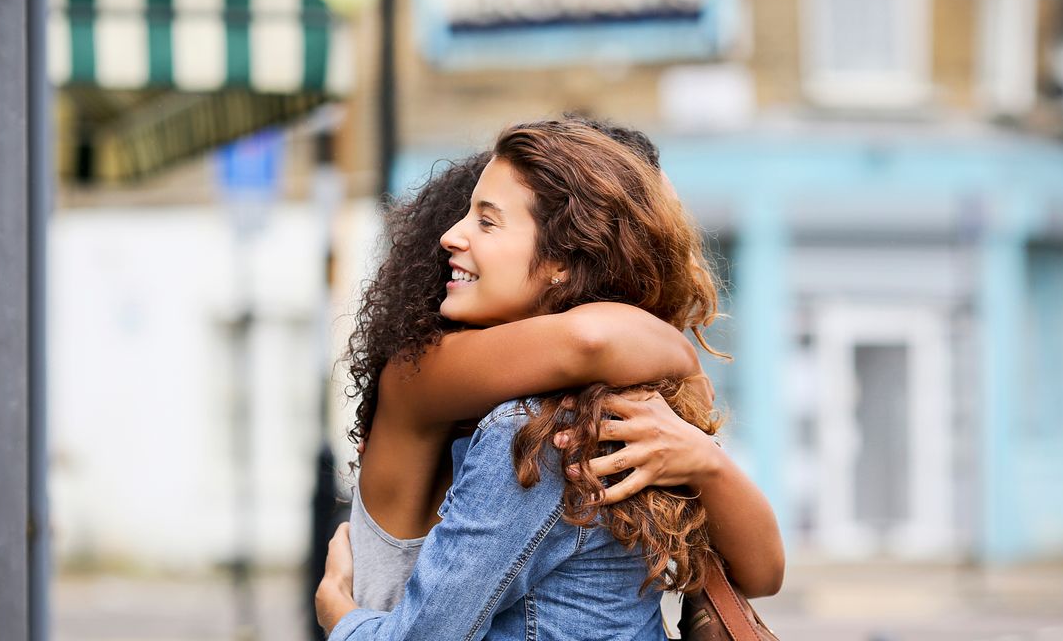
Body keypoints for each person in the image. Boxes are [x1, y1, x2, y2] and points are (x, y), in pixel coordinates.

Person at [318, 119, 784, 638]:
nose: (455, 236)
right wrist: (687, 364)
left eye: (487, 222)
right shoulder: (430, 378)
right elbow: (589, 339)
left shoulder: (586, 416)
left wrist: (705, 462)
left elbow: (761, 575)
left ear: (563, 257)